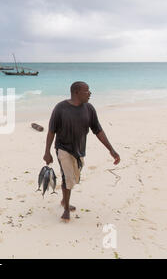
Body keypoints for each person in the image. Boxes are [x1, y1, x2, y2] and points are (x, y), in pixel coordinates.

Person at [43, 81, 120, 222]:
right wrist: (47, 152)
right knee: (67, 177)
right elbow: (51, 131)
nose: (90, 93)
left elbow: (98, 130)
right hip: (63, 148)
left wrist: (111, 149)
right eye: (87, 91)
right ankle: (66, 209)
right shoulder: (60, 108)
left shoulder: (89, 109)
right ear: (76, 92)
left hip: (79, 151)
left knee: (73, 178)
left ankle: (63, 200)